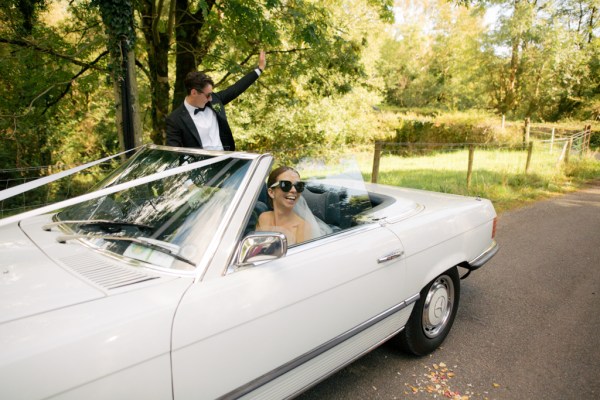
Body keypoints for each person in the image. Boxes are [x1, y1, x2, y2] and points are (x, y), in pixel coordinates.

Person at [166, 51, 266, 150]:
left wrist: (259, 69)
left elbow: (236, 88)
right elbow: (173, 154)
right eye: (208, 95)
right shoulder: (175, 120)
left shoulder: (215, 100)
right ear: (194, 92)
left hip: (225, 161)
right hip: (201, 165)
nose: (211, 98)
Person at [256, 166, 332, 245]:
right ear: (271, 192)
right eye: (286, 185)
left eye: (298, 186)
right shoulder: (263, 218)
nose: (294, 190)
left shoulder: (303, 228)